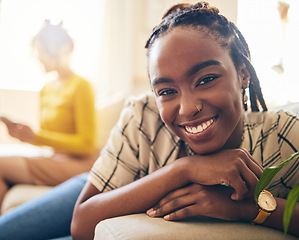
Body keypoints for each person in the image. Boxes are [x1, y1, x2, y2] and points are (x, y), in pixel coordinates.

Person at [70, 2, 299, 239]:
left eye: (206, 79)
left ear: (243, 74)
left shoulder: (284, 136)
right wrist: (183, 170)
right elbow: (81, 224)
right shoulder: (142, 116)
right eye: (167, 91)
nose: (188, 108)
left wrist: (244, 208)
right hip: (111, 183)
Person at [0, 20, 98, 240]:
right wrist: (24, 136)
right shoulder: (47, 89)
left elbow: (87, 143)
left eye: (41, 51)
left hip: (79, 163)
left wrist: (35, 137)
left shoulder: (81, 86)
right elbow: (47, 139)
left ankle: (0, 235)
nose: (38, 57)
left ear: (60, 50)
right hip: (52, 158)